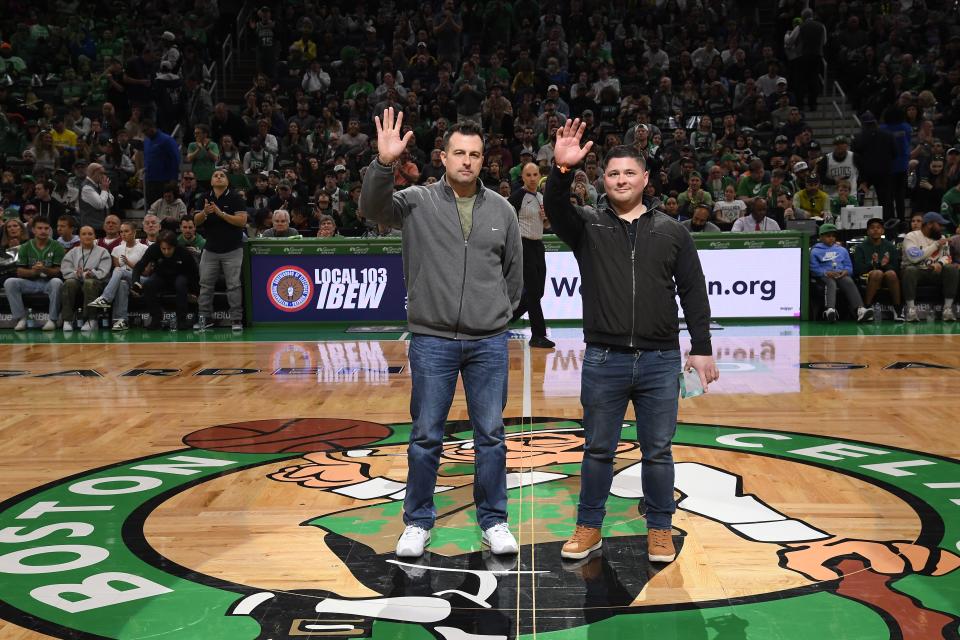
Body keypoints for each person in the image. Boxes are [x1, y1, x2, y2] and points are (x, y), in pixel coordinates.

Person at [543, 119, 719, 563]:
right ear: (604, 180)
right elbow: (556, 207)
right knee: (598, 449)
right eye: (613, 174)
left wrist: (701, 348)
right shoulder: (587, 226)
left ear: (645, 179)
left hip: (661, 360)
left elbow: (694, 291)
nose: (621, 180)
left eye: (629, 173)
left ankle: (659, 528)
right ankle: (589, 527)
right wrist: (560, 171)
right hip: (605, 358)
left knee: (657, 452)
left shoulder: (673, 231)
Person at [360, 108, 523, 558]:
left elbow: (513, 277)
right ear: (443, 157)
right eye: (458, 153)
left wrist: (494, 316)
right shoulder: (416, 201)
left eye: (474, 154)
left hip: (488, 341)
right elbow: (370, 208)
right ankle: (417, 521)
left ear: (483, 159)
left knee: (490, 434)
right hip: (432, 340)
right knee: (426, 434)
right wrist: (384, 164)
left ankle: (494, 520)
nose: (466, 161)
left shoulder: (503, 210)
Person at [193, 168, 247, 331]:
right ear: (211, 181)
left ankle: (236, 319)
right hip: (210, 249)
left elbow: (242, 221)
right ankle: (204, 318)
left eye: (222, 175)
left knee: (233, 285)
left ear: (227, 181)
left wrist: (220, 213)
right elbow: (196, 221)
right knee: (205, 285)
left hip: (232, 249)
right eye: (215, 175)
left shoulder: (235, 197)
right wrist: (205, 212)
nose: (218, 177)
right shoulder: (204, 197)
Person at [508, 161, 553, 348]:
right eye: (529, 175)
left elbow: (546, 226)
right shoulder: (518, 196)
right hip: (523, 245)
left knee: (539, 291)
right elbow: (506, 218)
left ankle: (507, 318)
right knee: (533, 292)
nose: (533, 178)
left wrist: (546, 220)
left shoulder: (541, 197)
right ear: (523, 177)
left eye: (535, 175)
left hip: (538, 245)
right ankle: (538, 335)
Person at [3, 216, 64, 331]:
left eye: (46, 228)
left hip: (48, 283)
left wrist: (44, 269)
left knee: (57, 282)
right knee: (10, 282)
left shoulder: (57, 246)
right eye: (40, 228)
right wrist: (33, 271)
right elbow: (20, 271)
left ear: (49, 230)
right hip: (30, 283)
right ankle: (21, 319)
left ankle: (52, 319)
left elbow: (58, 272)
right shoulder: (25, 247)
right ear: (33, 230)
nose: (43, 231)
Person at [131, 230, 200, 330]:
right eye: (163, 249)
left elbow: (194, 273)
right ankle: (156, 318)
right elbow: (139, 266)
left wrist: (195, 292)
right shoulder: (153, 248)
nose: (166, 252)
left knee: (180, 284)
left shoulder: (183, 252)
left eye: (169, 248)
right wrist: (135, 282)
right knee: (148, 284)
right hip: (161, 276)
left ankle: (181, 320)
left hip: (180, 276)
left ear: (175, 246)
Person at [87, 221, 147, 331]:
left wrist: (129, 264)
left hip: (140, 280)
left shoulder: (144, 248)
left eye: (126, 231)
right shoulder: (117, 249)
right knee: (121, 283)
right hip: (125, 281)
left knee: (119, 271)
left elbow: (146, 272)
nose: (123, 234)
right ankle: (121, 321)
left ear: (134, 232)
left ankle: (105, 298)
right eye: (121, 232)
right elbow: (117, 273)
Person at [901, 212, 958, 322]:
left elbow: (947, 257)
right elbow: (914, 258)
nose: (942, 227)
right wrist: (936, 245)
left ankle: (947, 309)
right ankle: (911, 310)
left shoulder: (942, 237)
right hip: (917, 272)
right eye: (939, 225)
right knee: (910, 270)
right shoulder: (911, 236)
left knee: (951, 268)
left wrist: (939, 263)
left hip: (934, 272)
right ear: (930, 224)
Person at [810, 223, 873, 323]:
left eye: (833, 236)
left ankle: (860, 310)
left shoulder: (842, 250)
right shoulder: (815, 251)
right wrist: (826, 273)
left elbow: (849, 267)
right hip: (824, 276)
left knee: (848, 281)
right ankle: (829, 310)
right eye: (828, 236)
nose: (831, 238)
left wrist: (846, 271)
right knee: (831, 282)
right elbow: (813, 268)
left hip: (840, 274)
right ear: (821, 237)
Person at [59, 225, 111, 331]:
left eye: (90, 234)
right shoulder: (73, 251)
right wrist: (76, 273)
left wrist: (92, 273)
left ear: (94, 236)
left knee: (89, 283)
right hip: (77, 280)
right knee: (69, 283)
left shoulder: (103, 251)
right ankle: (67, 320)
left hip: (96, 282)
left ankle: (91, 319)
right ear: (79, 237)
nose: (87, 236)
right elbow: (65, 269)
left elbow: (104, 271)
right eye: (84, 234)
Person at [852, 218, 903, 320]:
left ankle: (897, 309)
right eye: (872, 228)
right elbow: (858, 268)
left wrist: (884, 265)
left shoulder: (890, 246)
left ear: (883, 231)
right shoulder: (860, 247)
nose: (875, 230)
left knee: (892, 274)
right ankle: (867, 308)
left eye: (878, 228)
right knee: (877, 273)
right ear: (868, 231)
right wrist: (872, 264)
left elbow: (896, 267)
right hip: (868, 275)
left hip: (886, 274)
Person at [78, 162, 114, 232]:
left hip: (101, 228)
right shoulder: (87, 187)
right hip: (91, 229)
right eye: (101, 173)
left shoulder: (99, 185)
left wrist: (106, 189)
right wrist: (104, 190)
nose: (104, 176)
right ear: (93, 173)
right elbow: (100, 205)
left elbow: (110, 203)